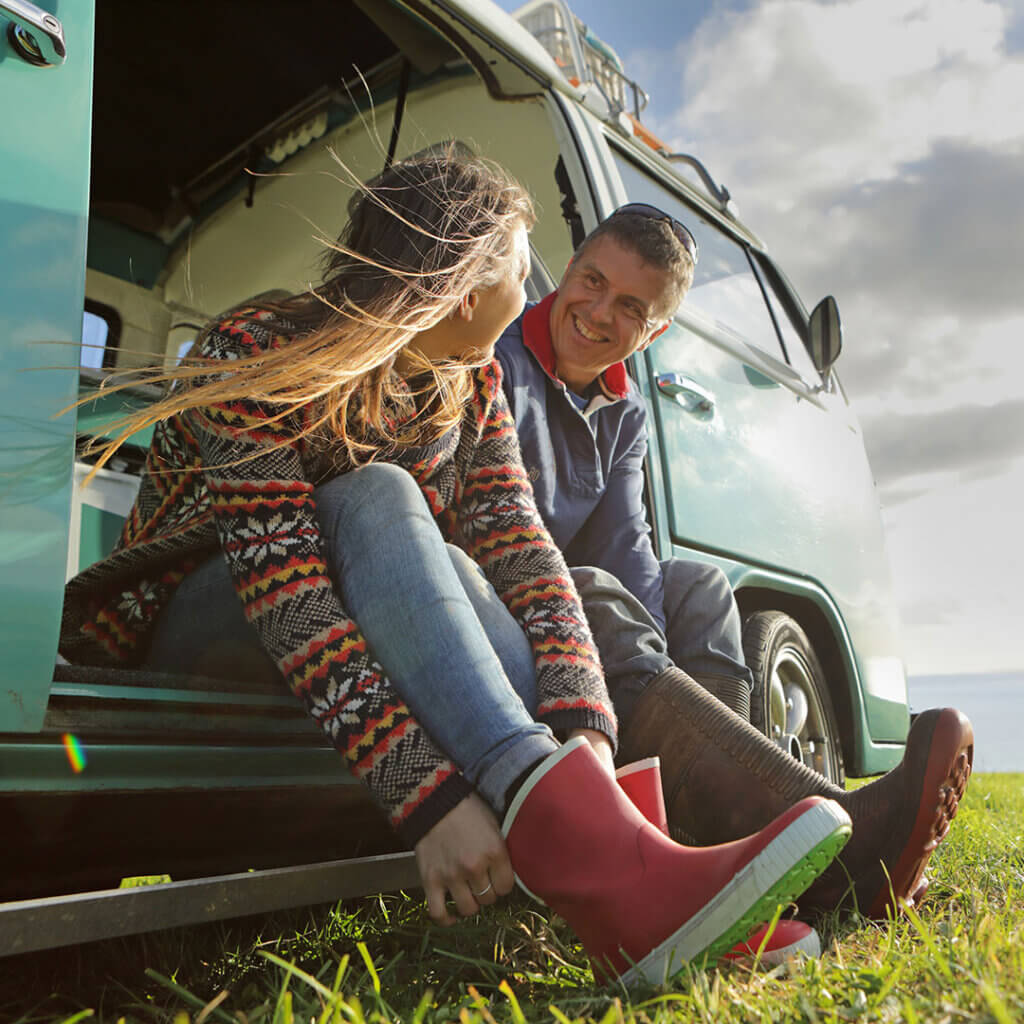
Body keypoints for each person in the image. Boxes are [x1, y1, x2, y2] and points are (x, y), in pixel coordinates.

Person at [59, 149, 850, 985]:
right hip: (193, 622)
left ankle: (636, 861)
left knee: (469, 572)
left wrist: (585, 723)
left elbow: (525, 554)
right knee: (376, 494)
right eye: (520, 262)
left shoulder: (471, 385)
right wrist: (427, 797)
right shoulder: (254, 348)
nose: (534, 285)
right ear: (464, 288)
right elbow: (288, 598)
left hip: (339, 636)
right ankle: (603, 857)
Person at [494, 203, 974, 919]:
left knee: (700, 585)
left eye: (629, 307)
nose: (597, 312)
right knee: (589, 591)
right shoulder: (500, 357)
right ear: (566, 271)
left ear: (654, 330)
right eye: (592, 281)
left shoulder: (624, 416)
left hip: (575, 603)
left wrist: (651, 653)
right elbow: (509, 526)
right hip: (507, 584)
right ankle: (817, 840)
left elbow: (628, 542)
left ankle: (710, 830)